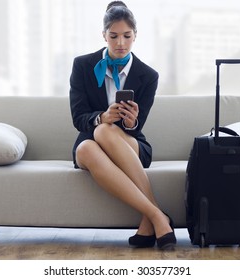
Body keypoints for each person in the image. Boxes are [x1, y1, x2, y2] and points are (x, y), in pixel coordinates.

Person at [69, 1, 176, 250]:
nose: (120, 43)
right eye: (113, 36)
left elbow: (138, 127)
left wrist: (131, 121)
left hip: (131, 146)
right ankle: (158, 216)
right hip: (92, 141)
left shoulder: (148, 76)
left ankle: (154, 220)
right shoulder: (83, 66)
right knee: (88, 145)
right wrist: (101, 118)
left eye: (127, 36)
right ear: (103, 35)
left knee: (105, 132)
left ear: (135, 36)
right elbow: (78, 117)